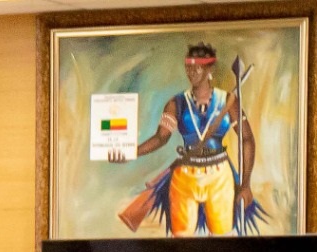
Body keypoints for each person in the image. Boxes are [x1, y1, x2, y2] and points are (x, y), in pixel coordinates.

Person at [108, 43, 260, 237]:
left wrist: (246, 184)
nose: (191, 72)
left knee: (223, 242)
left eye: (196, 67)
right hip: (184, 178)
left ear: (209, 69)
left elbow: (247, 139)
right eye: (188, 67)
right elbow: (161, 137)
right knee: (180, 244)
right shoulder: (176, 103)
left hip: (220, 176)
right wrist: (131, 152)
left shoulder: (229, 102)